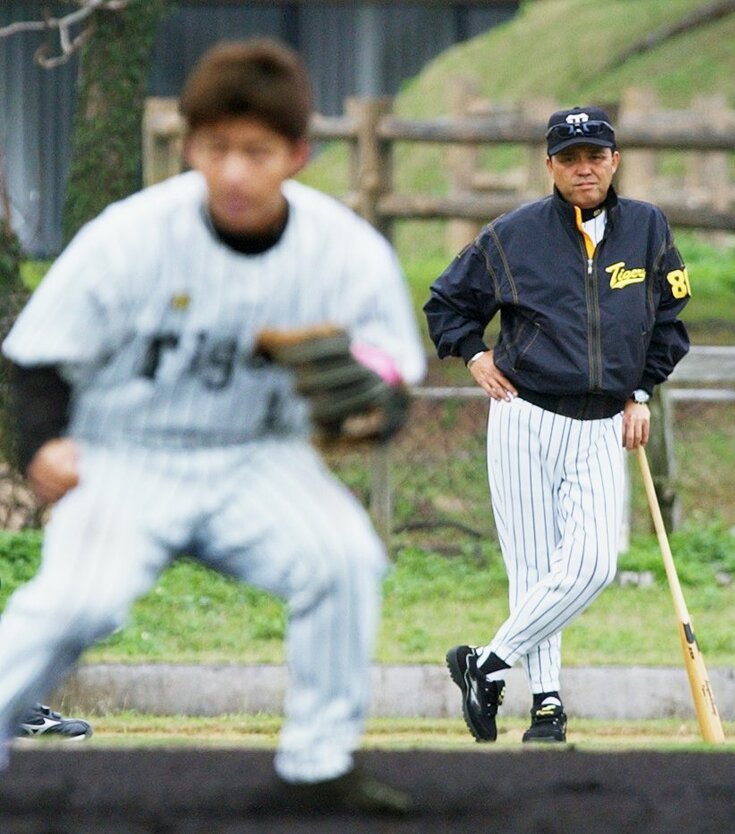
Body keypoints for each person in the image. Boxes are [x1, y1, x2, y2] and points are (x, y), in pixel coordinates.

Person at [0, 38, 425, 812]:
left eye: (256, 151)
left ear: (296, 153)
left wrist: (376, 404)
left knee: (343, 558)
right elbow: (36, 353)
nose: (234, 170)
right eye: (217, 147)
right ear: (190, 145)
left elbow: (391, 373)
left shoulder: (343, 253)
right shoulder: (129, 237)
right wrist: (44, 443)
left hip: (261, 457)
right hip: (124, 456)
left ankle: (320, 767)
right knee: (74, 602)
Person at [425, 105, 690, 744]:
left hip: (603, 423)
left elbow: (671, 322)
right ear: (550, 165)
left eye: (595, 156)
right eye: (569, 159)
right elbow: (447, 302)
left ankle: (485, 666)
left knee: (593, 563)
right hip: (524, 415)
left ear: (614, 160)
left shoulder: (648, 229)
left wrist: (641, 392)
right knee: (535, 567)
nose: (583, 168)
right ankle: (547, 706)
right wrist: (475, 354)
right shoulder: (513, 234)